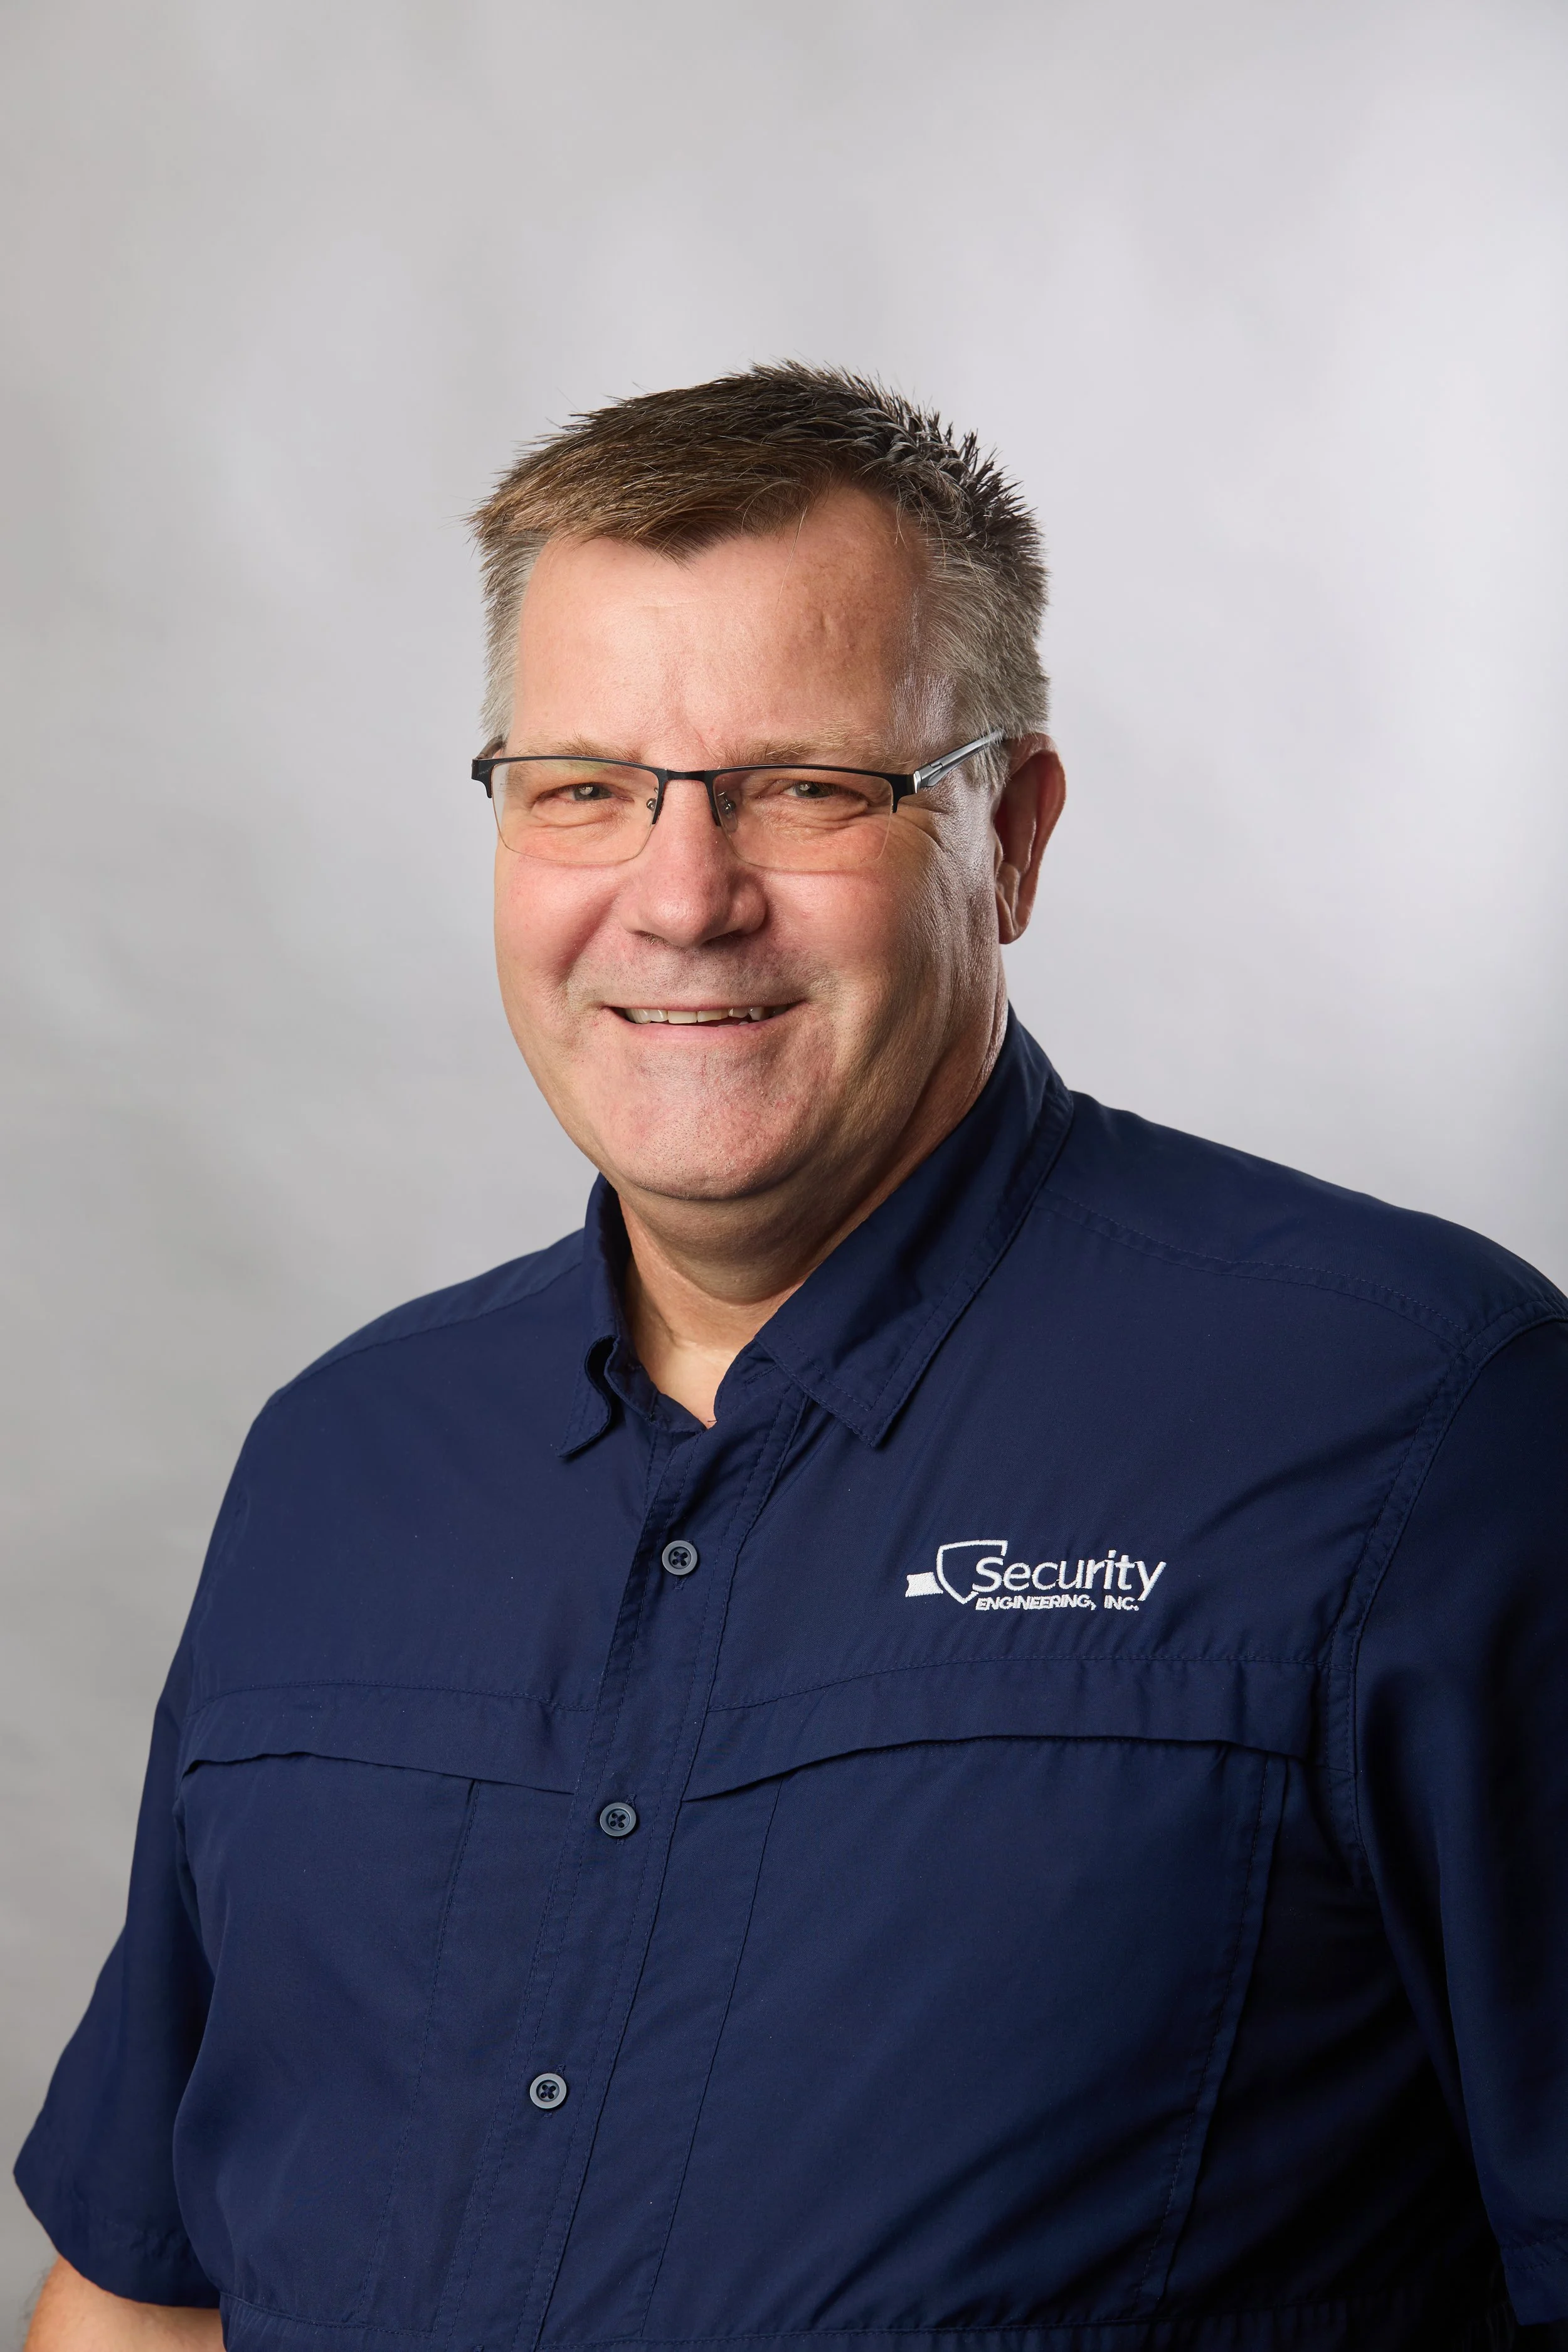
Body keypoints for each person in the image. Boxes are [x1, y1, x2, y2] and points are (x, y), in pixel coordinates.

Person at [15, 364, 1568, 2352]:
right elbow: (145, 2295)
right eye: (581, 785)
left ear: (1006, 833)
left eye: (805, 785)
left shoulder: (1428, 1434)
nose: (680, 896)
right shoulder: (340, 1461)